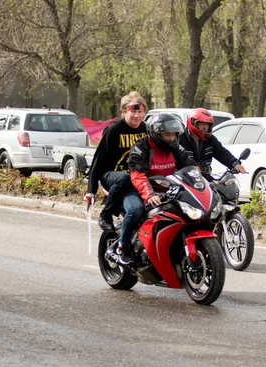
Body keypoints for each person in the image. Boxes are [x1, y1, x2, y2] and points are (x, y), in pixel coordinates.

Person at [114, 113, 195, 265]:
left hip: (164, 189)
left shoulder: (175, 147)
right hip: (136, 190)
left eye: (173, 135)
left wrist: (204, 184)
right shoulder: (140, 148)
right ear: (156, 134)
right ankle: (122, 247)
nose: (171, 138)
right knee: (136, 210)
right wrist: (149, 194)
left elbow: (189, 167)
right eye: (167, 134)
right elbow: (138, 176)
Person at [84, 91, 148, 232]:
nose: (137, 116)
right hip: (112, 175)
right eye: (133, 112)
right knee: (124, 178)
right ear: (124, 111)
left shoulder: (146, 129)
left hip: (136, 176)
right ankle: (105, 215)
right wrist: (91, 190)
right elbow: (99, 159)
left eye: (140, 112)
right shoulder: (114, 129)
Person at [178, 108, 246, 181]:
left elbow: (222, 153)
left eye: (207, 125)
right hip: (184, 180)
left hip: (205, 179)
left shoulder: (209, 139)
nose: (205, 127)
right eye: (202, 124)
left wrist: (235, 163)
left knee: (221, 190)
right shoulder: (180, 139)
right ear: (193, 122)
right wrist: (193, 168)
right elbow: (177, 161)